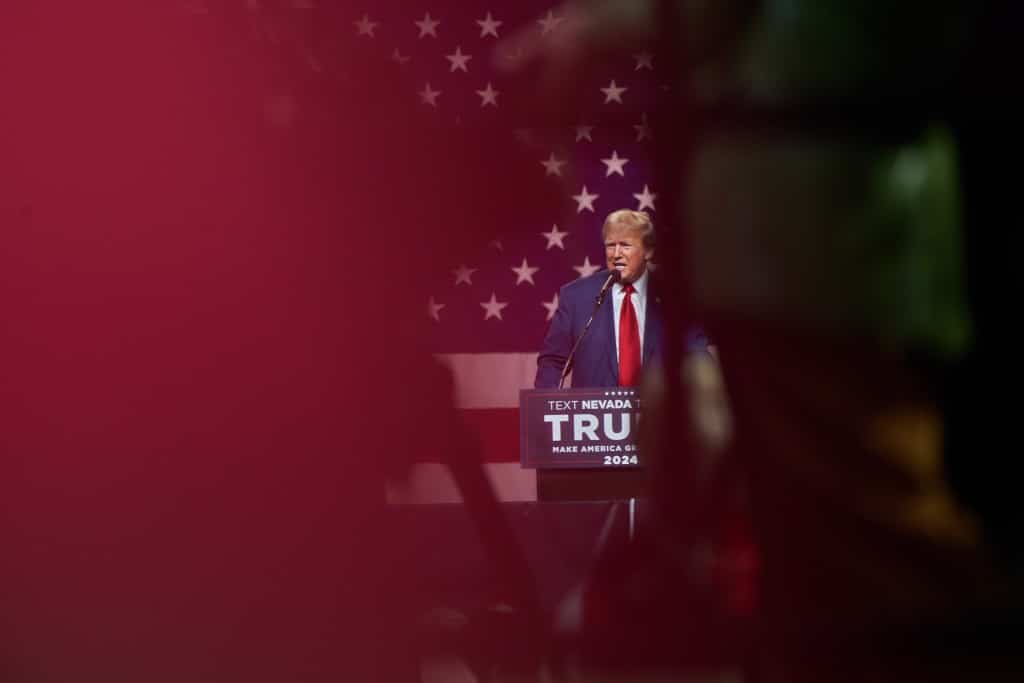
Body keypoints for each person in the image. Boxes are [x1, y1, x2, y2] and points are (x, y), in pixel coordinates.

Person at [535, 209, 662, 389]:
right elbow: (553, 362)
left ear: (648, 251)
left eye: (625, 245)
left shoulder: (674, 297)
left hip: (659, 414)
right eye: (611, 245)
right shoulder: (576, 297)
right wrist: (546, 407)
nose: (616, 254)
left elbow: (697, 357)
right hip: (594, 415)